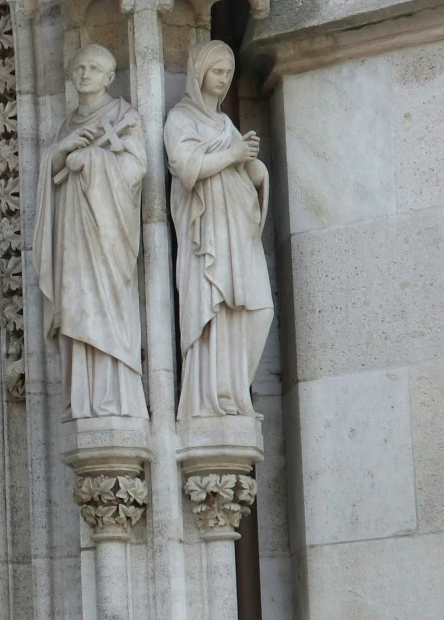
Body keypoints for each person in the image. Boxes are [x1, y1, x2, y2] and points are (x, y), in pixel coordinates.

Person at [32, 43, 147, 421]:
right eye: (79, 68)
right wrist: (62, 151)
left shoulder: (124, 116)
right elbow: (51, 177)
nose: (84, 75)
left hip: (107, 235)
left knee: (105, 305)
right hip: (72, 234)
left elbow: (135, 171)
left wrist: (92, 161)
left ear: (110, 77)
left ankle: (112, 400)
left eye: (94, 69)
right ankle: (82, 400)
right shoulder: (68, 125)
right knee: (75, 305)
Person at [165, 38, 273, 421]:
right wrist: (233, 155)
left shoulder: (225, 123)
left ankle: (235, 394)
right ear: (199, 72)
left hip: (237, 230)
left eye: (228, 72)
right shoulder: (181, 119)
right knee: (216, 310)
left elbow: (239, 169)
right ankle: (211, 401)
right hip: (207, 236)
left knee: (259, 310)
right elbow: (186, 168)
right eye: (217, 71)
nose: (224, 79)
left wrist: (253, 167)